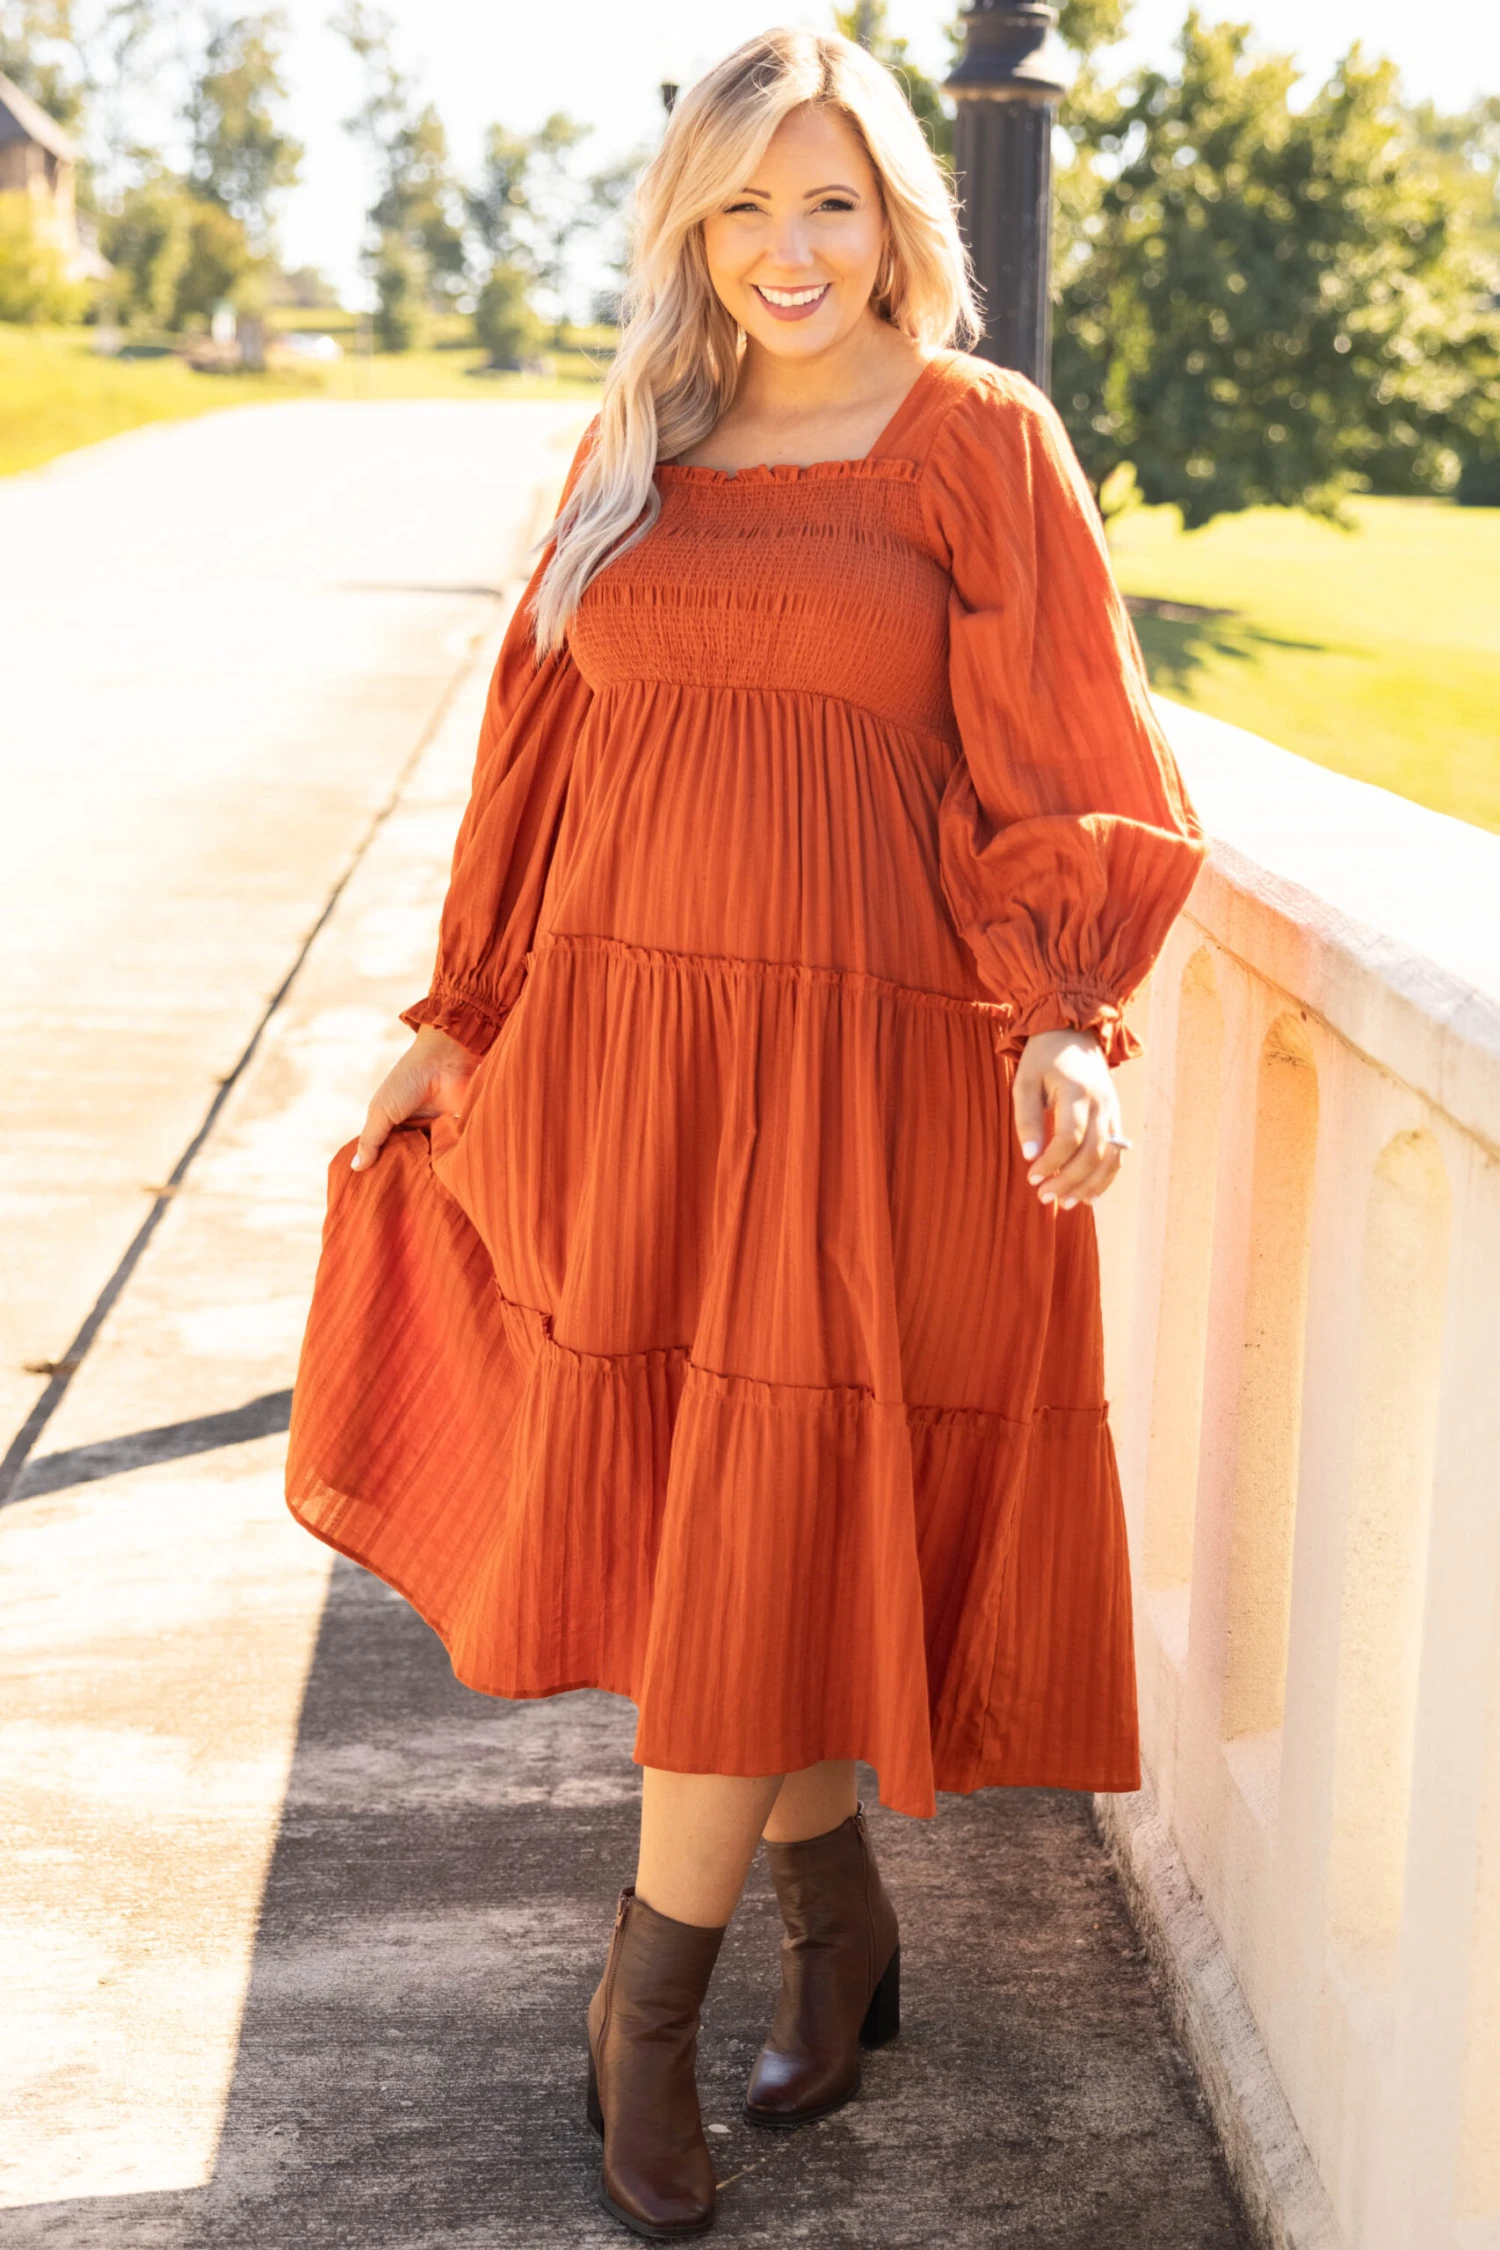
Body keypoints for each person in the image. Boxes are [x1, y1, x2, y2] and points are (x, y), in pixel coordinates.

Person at [285, 24, 1209, 2243]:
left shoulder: (979, 439)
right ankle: (841, 1923)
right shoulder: (639, 441)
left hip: (862, 1077)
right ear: (689, 226)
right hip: (638, 1064)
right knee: (736, 1527)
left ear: (899, 218)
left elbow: (1067, 747)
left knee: (762, 1516)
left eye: (831, 204)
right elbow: (534, 761)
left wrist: (1066, 1019)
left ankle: (640, 2017)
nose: (789, 250)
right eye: (744, 208)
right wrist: (458, 1020)